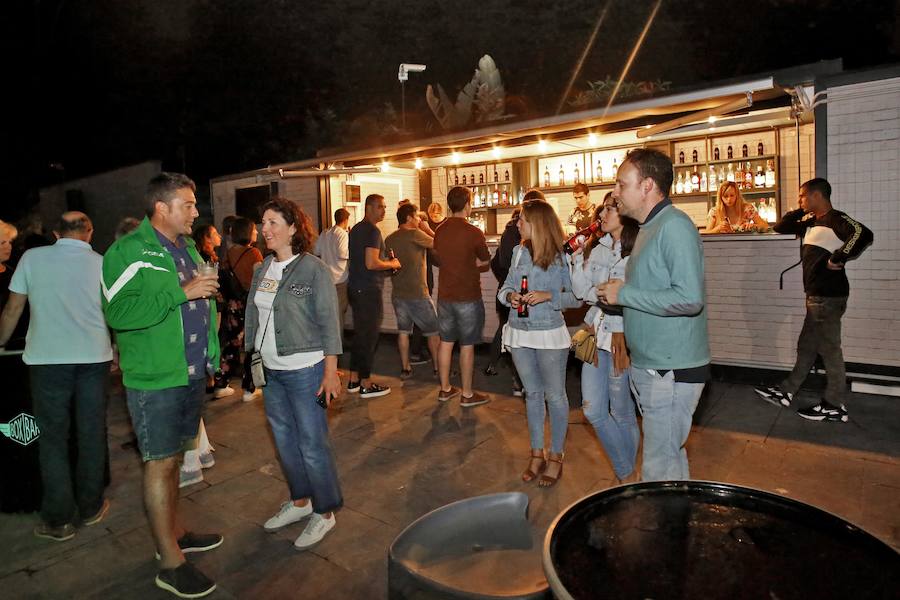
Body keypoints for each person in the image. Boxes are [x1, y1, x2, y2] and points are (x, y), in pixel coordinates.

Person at [102, 172, 222, 598]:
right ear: (162, 208)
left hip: (188, 370)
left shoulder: (187, 247)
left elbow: (201, 303)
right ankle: (169, 563)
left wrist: (211, 352)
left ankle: (174, 532)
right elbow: (118, 312)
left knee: (174, 459)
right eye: (187, 204)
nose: (195, 211)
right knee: (159, 462)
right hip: (154, 377)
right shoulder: (127, 250)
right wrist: (181, 291)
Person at [598, 148, 710, 482]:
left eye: (621, 184)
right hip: (653, 365)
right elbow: (658, 291)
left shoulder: (674, 226)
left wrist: (625, 293)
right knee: (667, 457)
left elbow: (690, 299)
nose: (615, 193)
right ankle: (676, 526)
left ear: (647, 185)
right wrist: (622, 294)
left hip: (670, 369)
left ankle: (661, 530)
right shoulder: (649, 226)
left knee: (658, 466)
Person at [0, 212, 113, 541]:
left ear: (55, 233)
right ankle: (91, 507)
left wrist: (1, 340)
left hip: (47, 361)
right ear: (89, 232)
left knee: (52, 439)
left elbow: (12, 309)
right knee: (91, 432)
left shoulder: (32, 259)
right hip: (94, 358)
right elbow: (112, 311)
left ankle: (59, 519)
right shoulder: (102, 262)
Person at [244, 198, 344, 550]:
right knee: (285, 443)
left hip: (306, 370)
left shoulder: (313, 269)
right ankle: (301, 502)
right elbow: (255, 318)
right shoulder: (262, 269)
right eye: (262, 222)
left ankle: (325, 511)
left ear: (292, 228)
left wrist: (330, 372)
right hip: (271, 371)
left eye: (272, 222)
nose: (264, 229)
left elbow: (330, 323)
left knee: (312, 445)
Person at [755, 178, 873, 421]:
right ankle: (786, 391)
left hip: (828, 297)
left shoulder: (836, 219)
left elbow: (863, 233)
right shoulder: (811, 222)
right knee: (807, 346)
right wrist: (800, 210)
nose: (799, 200)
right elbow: (781, 226)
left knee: (830, 350)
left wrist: (839, 257)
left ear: (817, 195)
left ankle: (835, 404)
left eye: (802, 196)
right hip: (816, 297)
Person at [498, 200, 580, 487]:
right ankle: (536, 453)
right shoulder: (518, 251)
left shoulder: (561, 256)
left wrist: (548, 296)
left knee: (554, 396)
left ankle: (555, 456)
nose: (517, 223)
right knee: (532, 394)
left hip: (548, 331)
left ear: (538, 223)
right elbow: (505, 287)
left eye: (522, 219)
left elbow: (577, 296)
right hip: (519, 330)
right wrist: (510, 297)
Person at [569, 193, 641, 483]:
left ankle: (627, 478)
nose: (602, 214)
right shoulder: (596, 248)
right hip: (595, 334)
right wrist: (575, 262)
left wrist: (607, 296)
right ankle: (627, 472)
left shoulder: (638, 250)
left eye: (609, 208)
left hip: (621, 337)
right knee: (593, 410)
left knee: (622, 411)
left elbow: (634, 299)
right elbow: (582, 293)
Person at [433, 186, 492, 407]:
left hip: (445, 295)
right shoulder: (473, 232)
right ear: (467, 203)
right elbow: (485, 261)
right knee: (467, 345)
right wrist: (471, 264)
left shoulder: (440, 230)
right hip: (468, 295)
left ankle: (445, 389)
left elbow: (439, 256)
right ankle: (467, 394)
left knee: (446, 342)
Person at [346, 194, 399, 398]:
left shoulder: (356, 229)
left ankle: (353, 379)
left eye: (385, 207)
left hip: (356, 287)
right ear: (368, 208)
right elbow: (371, 263)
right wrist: (392, 264)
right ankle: (366, 384)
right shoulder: (372, 231)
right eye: (380, 207)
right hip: (368, 289)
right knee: (369, 337)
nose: (383, 211)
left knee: (360, 335)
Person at [385, 203, 441, 379]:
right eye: (417, 217)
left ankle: (405, 368)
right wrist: (428, 228)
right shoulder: (416, 234)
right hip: (418, 293)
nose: (419, 220)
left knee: (403, 332)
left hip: (398, 293)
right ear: (409, 218)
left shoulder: (390, 239)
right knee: (434, 332)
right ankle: (438, 369)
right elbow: (440, 242)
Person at [220, 217, 264, 402]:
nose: (257, 232)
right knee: (252, 345)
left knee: (232, 345)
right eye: (254, 229)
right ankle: (249, 388)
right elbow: (260, 280)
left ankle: (221, 383)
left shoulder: (229, 252)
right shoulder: (253, 253)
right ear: (247, 232)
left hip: (232, 306)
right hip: (249, 305)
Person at [485, 206, 524, 396]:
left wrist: (503, 280)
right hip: (518, 293)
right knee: (516, 335)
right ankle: (518, 381)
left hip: (504, 291)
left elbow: (494, 263)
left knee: (503, 329)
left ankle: (493, 364)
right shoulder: (521, 237)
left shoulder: (507, 234)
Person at [314, 208, 350, 333]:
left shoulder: (325, 233)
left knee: (330, 313)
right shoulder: (343, 234)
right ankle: (337, 345)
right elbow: (343, 254)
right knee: (339, 312)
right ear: (345, 220)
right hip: (340, 279)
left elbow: (316, 251)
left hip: (327, 278)